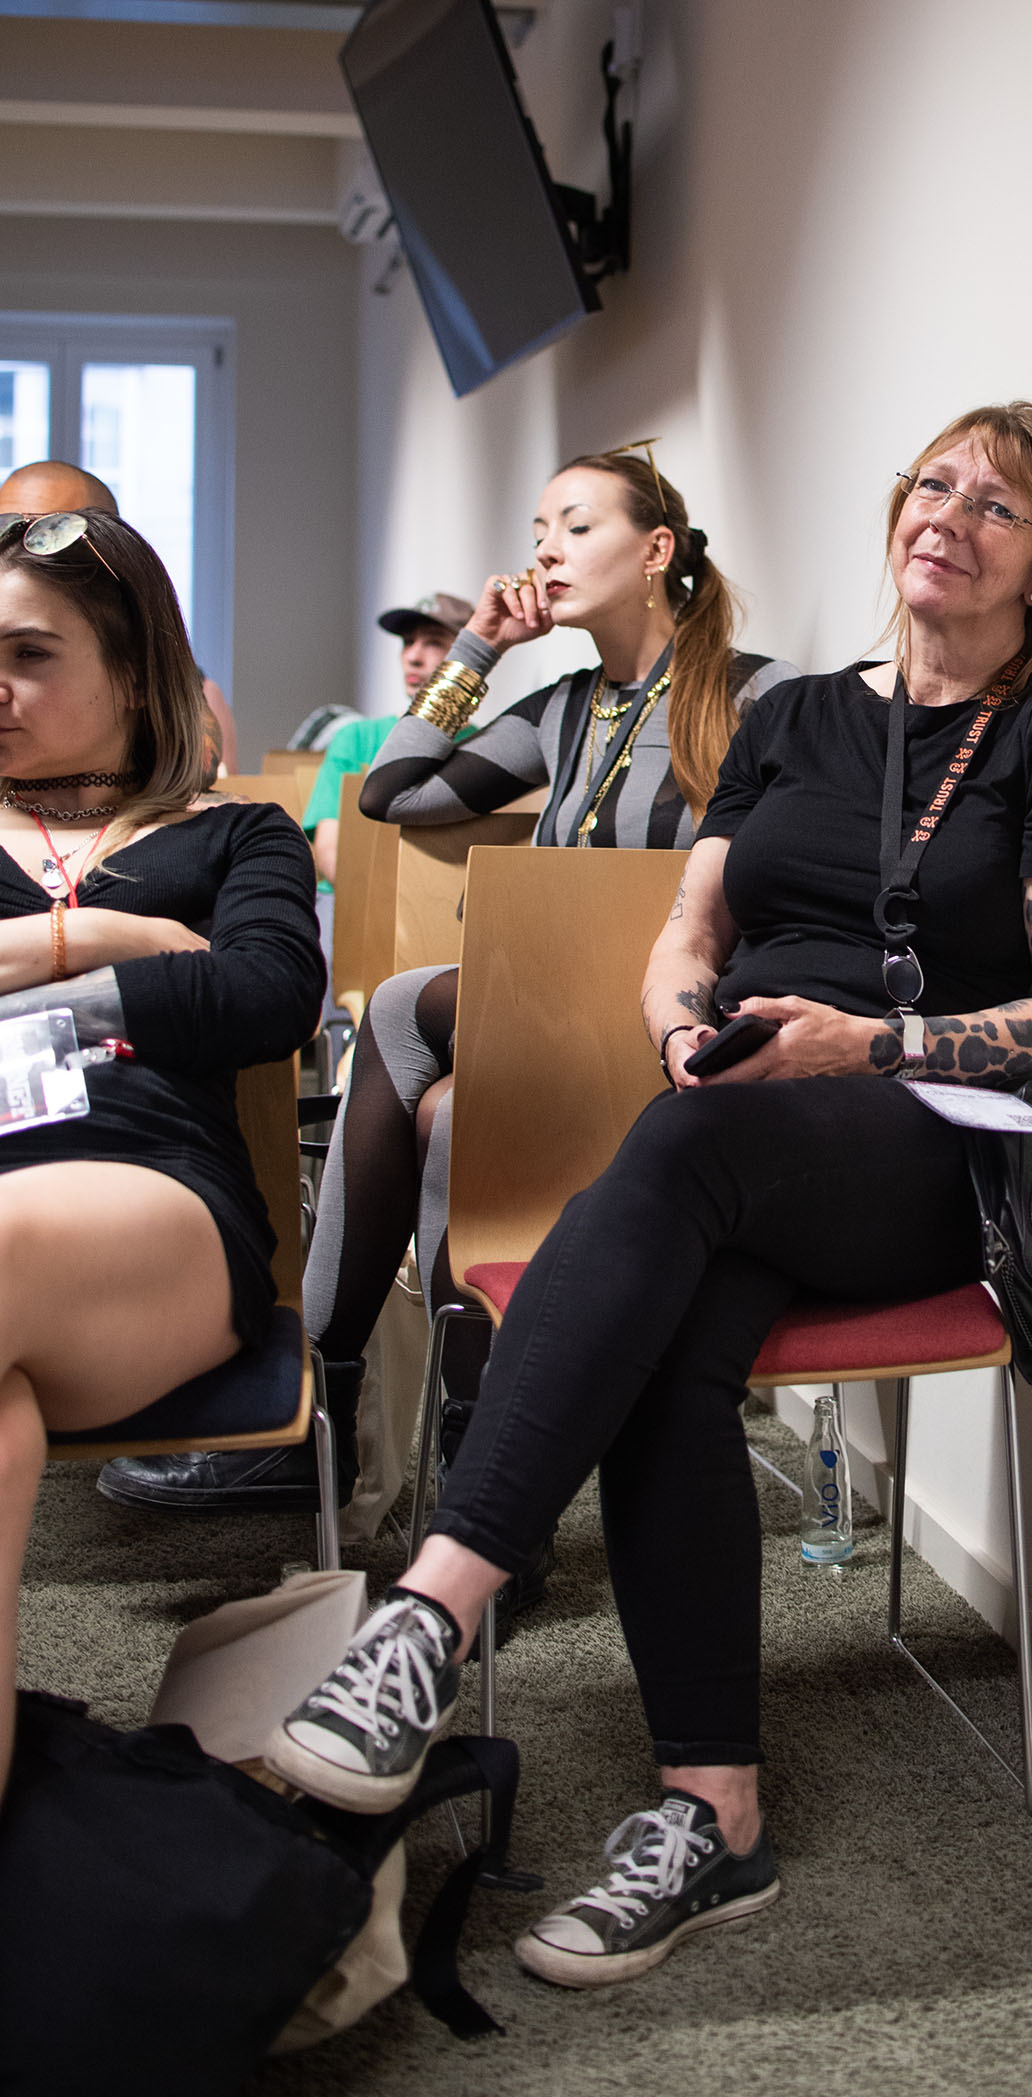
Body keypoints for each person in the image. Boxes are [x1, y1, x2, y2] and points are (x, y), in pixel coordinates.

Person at [261, 402, 1032, 1989]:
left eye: (997, 507)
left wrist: (863, 1043)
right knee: (676, 1321)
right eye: (933, 484)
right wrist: (681, 1028)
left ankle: (430, 1613)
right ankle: (714, 1813)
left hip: (934, 1133)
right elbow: (693, 929)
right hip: (745, 1121)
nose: (948, 516)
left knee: (677, 1159)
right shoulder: (796, 715)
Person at [100, 448, 797, 1532]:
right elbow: (391, 791)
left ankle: (313, 1411)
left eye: (574, 527)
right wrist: (481, 646)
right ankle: (477, 1487)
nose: (545, 553)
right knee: (446, 1115)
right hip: (553, 1030)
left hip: (680, 1035)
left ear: (656, 549)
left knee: (395, 1009)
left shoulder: (758, 694)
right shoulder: (565, 709)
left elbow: (786, 881)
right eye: (537, 534)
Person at [0, 507, 324, 1798]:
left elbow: (265, 998)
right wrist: (111, 942)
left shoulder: (234, 835)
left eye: (29, 654)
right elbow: (202, 982)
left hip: (154, 1206)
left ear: (134, 673)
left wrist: (37, 970)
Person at [0, 460, 239, 769]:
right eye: (6, 529)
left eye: (52, 532)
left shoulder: (172, 684)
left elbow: (197, 769)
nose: (17, 552)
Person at [301, 591, 473, 887]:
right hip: (352, 899)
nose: (413, 657)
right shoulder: (357, 738)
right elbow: (330, 851)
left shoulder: (484, 745)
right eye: (408, 642)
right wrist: (381, 908)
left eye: (433, 642)